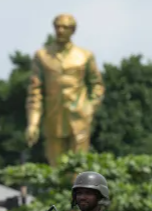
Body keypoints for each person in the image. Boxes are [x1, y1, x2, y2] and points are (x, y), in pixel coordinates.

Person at [25, 13, 105, 166]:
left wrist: (90, 107)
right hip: (53, 119)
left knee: (79, 167)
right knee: (55, 168)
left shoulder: (85, 55)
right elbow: (35, 92)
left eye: (65, 27)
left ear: (73, 30)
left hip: (79, 118)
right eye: (58, 27)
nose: (60, 31)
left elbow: (97, 85)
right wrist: (33, 123)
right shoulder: (42, 56)